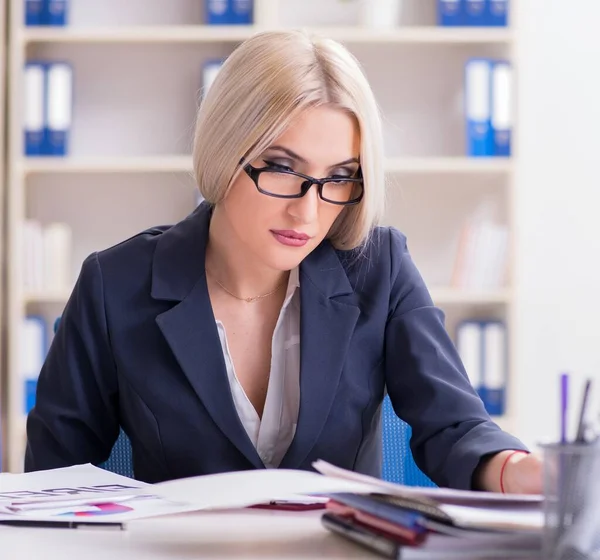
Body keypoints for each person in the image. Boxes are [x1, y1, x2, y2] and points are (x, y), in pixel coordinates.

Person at [25, 29, 542, 493]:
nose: (308, 210)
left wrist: (522, 470)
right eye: (280, 167)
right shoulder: (115, 285)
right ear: (225, 151)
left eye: (339, 176)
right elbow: (53, 482)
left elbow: (454, 426)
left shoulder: (379, 269)